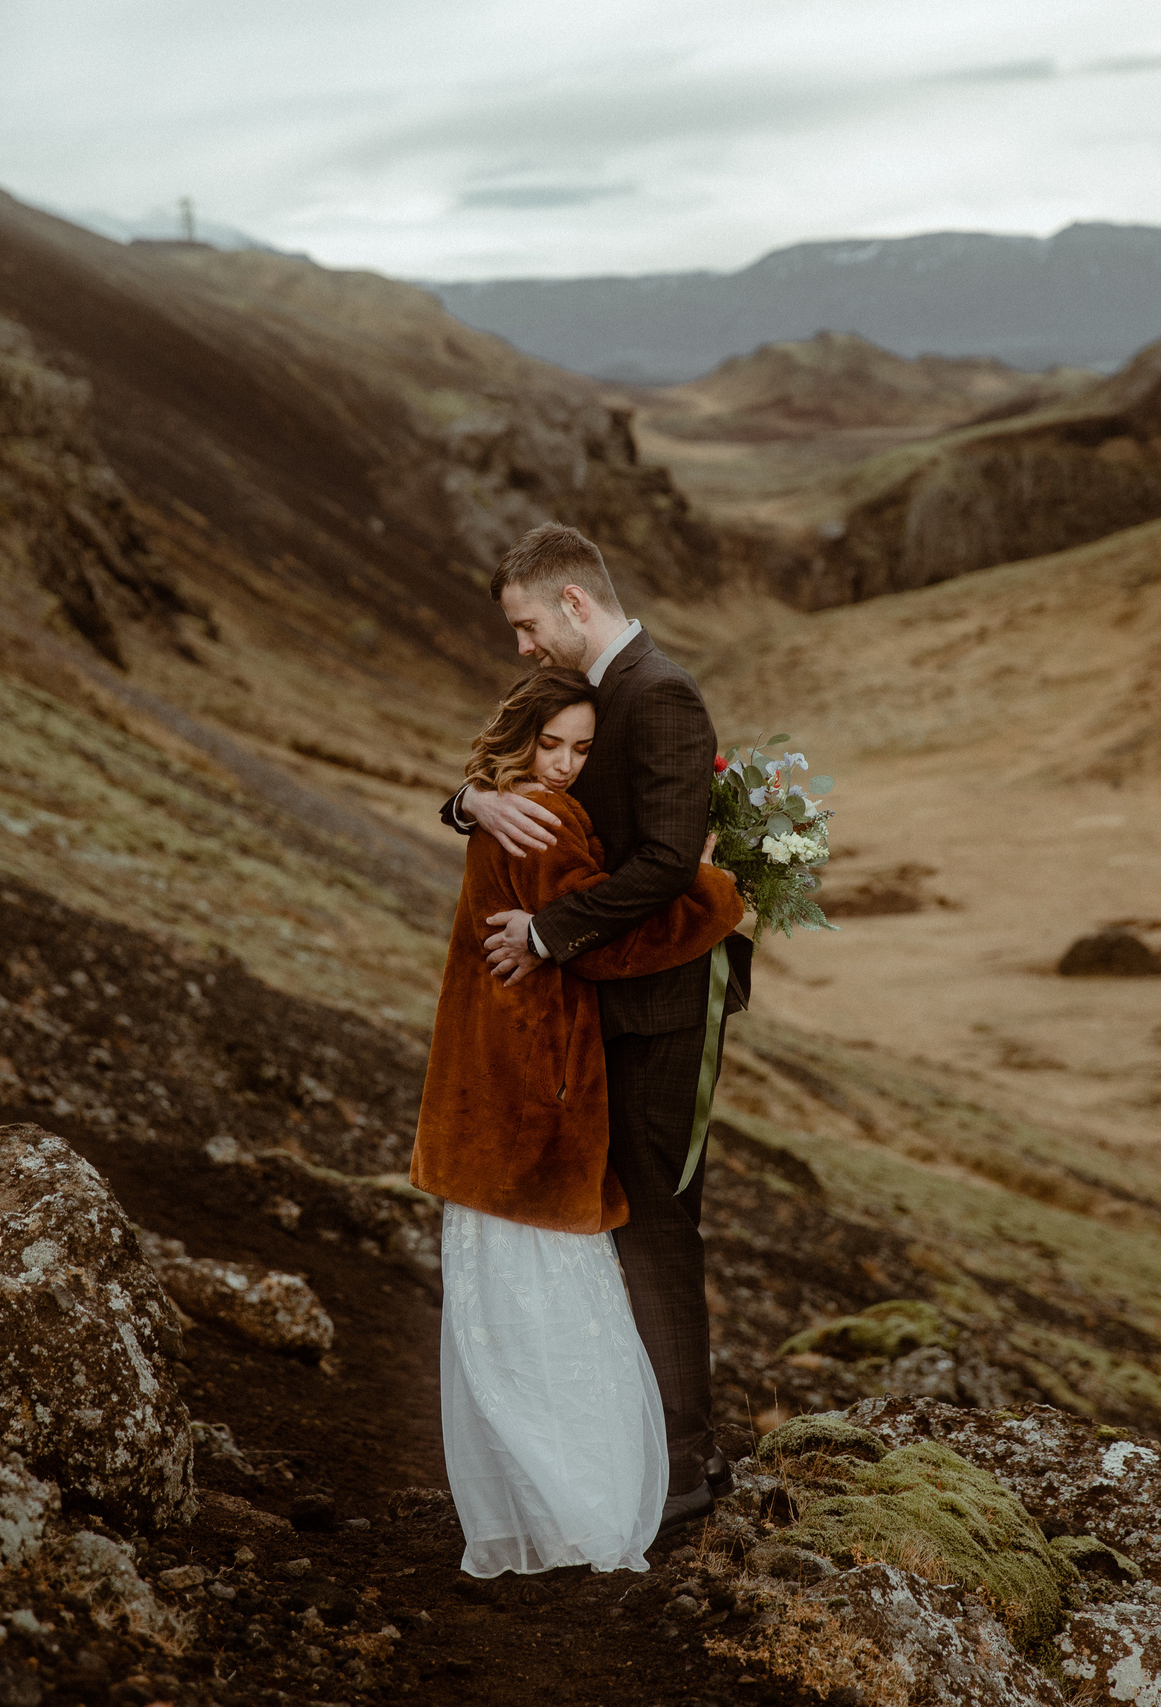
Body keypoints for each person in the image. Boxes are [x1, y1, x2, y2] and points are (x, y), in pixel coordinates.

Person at [440, 522, 745, 1543]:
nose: (521, 646)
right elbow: (523, 758)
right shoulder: (598, 696)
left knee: (658, 1224)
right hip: (610, 1001)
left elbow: (663, 862)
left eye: (527, 625)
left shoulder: (656, 692)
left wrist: (549, 931)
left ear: (574, 604)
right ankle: (647, 1442)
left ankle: (686, 1465)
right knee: (621, 1215)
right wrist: (470, 801)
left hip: (661, 1007)